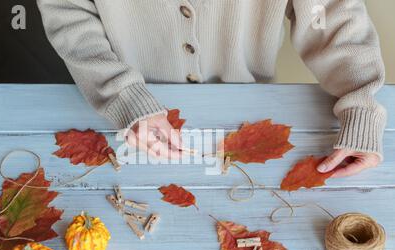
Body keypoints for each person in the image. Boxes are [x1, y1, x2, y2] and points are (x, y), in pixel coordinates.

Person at [37, 0, 386, 177]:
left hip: (248, 109)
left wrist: (362, 106)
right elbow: (66, 9)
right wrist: (122, 95)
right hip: (127, 121)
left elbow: (330, 12)